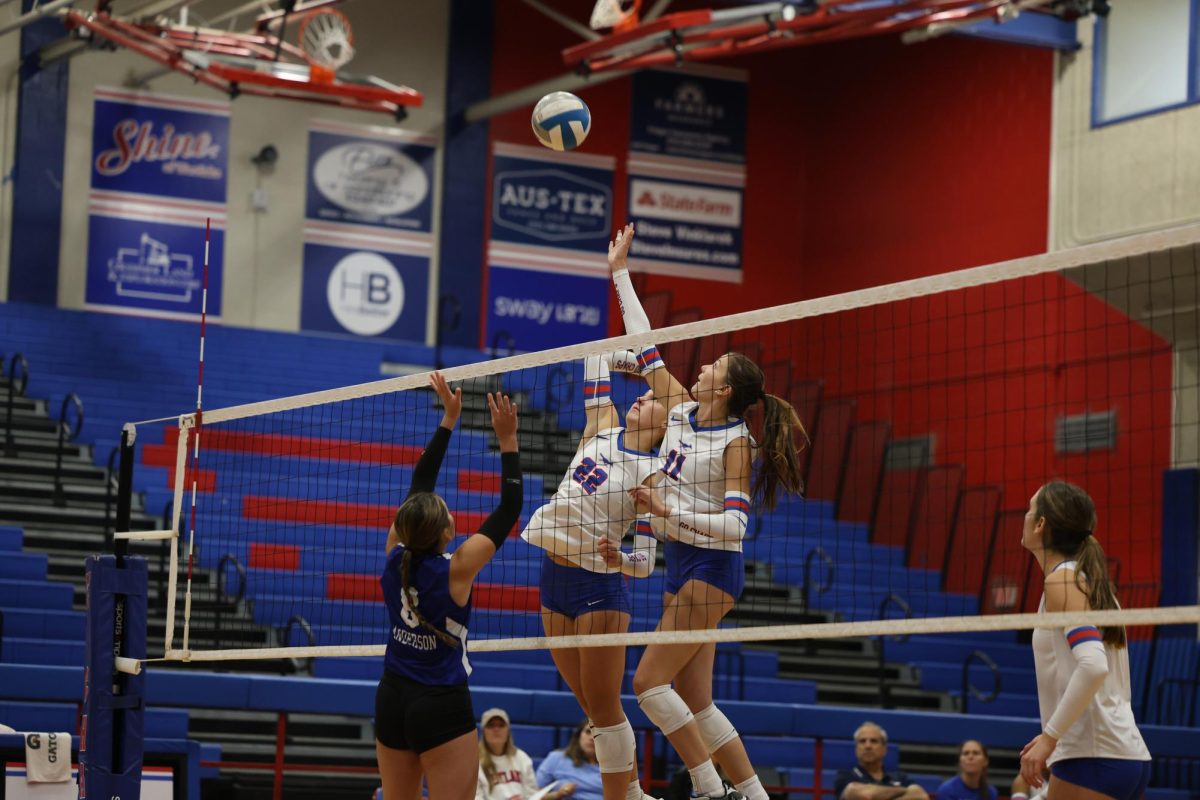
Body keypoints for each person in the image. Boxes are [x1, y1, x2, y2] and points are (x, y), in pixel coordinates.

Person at [607, 222, 807, 800]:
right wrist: (621, 271)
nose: (701, 368)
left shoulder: (736, 442)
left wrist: (668, 513)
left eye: (713, 366)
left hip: (714, 568)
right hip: (682, 564)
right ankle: (751, 793)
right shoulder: (680, 413)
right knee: (697, 698)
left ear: (725, 389)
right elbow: (644, 344)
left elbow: (739, 525)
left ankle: (708, 788)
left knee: (647, 684)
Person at [522, 350, 668, 800]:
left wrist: (618, 557)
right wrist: (635, 362)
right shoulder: (602, 425)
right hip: (553, 580)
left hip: (598, 590)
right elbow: (594, 358)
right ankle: (635, 792)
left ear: (666, 426)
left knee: (603, 710)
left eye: (651, 397)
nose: (641, 397)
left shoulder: (655, 475)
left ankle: (625, 795)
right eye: (640, 393)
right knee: (591, 707)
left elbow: (643, 564)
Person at [374, 373, 523, 800]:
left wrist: (448, 421)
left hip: (392, 699)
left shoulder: (393, 555)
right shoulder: (456, 570)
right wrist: (507, 440)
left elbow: (419, 489)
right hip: (439, 703)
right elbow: (510, 506)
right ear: (447, 532)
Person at [1018, 481, 1152, 800]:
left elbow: (1093, 665)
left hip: (1093, 760)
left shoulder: (1063, 580)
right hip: (1121, 756)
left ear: (1041, 525)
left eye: (1030, 509)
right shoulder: (1085, 582)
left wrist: (1051, 738)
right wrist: (1055, 735)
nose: (1024, 516)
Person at [834, 722, 928, 800]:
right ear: (856, 748)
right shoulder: (845, 776)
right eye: (862, 741)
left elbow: (921, 796)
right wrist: (903, 791)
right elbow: (863, 795)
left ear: (884, 749)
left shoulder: (900, 777)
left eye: (874, 741)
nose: (868, 746)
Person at [477, 708, 539, 800]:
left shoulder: (521, 757)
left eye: (501, 725)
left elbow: (533, 795)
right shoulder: (474, 761)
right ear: (483, 732)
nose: (496, 729)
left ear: (508, 731)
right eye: (491, 726)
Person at [536, 720, 606, 800]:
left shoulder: (614, 767)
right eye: (588, 732)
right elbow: (535, 795)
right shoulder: (556, 758)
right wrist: (557, 795)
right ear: (578, 736)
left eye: (598, 735)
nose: (592, 738)